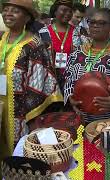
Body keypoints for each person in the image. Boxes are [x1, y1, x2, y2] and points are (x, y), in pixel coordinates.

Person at [0, 0, 62, 159]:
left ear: (27, 18)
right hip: (1, 108)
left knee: (15, 159)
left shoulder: (34, 46)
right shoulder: (3, 39)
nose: (8, 13)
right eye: (6, 9)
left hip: (19, 115)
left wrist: (27, 118)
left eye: (15, 11)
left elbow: (39, 88)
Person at [38, 0, 78, 93]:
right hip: (50, 82)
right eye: (64, 10)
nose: (68, 13)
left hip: (72, 82)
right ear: (55, 11)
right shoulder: (43, 32)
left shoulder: (78, 32)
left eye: (70, 11)